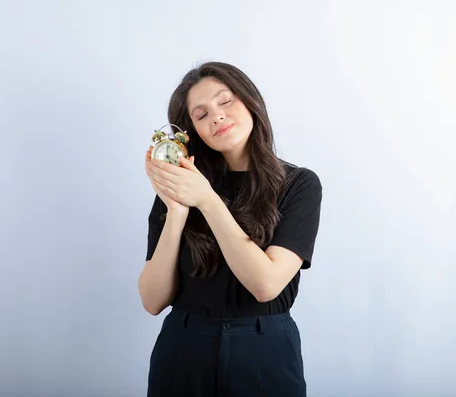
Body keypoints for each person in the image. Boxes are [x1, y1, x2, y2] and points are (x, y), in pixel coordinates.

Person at [138, 61, 322, 396]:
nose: (217, 116)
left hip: (264, 350)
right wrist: (178, 211)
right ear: (190, 132)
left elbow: (266, 284)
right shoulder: (183, 184)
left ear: (250, 101)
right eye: (201, 114)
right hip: (184, 347)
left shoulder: (299, 185)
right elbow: (152, 300)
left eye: (225, 102)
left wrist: (207, 200)